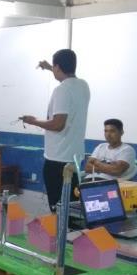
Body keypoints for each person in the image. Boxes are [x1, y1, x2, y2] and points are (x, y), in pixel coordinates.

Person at [21, 49, 90, 213]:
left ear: (58, 67)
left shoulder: (61, 90)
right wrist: (49, 68)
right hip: (74, 157)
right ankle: (72, 235)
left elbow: (58, 124)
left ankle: (61, 236)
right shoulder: (83, 85)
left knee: (58, 206)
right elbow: (65, 75)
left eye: (54, 67)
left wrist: (33, 121)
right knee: (72, 204)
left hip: (57, 159)